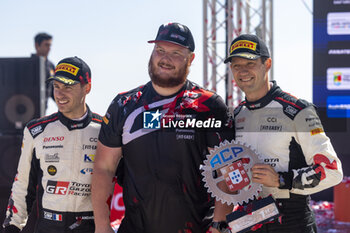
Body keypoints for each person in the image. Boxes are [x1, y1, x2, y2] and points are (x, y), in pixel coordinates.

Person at [92, 22, 234, 233]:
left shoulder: (209, 106)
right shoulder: (124, 105)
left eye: (176, 53)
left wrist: (218, 225)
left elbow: (227, 172)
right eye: (160, 50)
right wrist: (102, 226)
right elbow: (104, 168)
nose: (165, 59)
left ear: (191, 59)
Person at [224, 34, 343, 232]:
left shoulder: (297, 110)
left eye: (250, 63)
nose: (242, 71)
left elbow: (332, 171)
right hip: (249, 218)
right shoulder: (236, 115)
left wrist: (281, 180)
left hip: (291, 220)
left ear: (267, 64)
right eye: (236, 65)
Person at [2, 56, 102, 233]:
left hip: (91, 226)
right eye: (56, 86)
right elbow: (23, 185)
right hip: (49, 225)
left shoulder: (105, 129)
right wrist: (12, 226)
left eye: (68, 87)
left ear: (87, 88)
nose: (59, 94)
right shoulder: (36, 130)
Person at [32, 32, 55, 108]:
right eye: (46, 45)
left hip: (43, 107)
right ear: (37, 45)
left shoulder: (51, 66)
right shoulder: (28, 65)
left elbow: (53, 89)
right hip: (29, 108)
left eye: (50, 45)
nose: (49, 48)